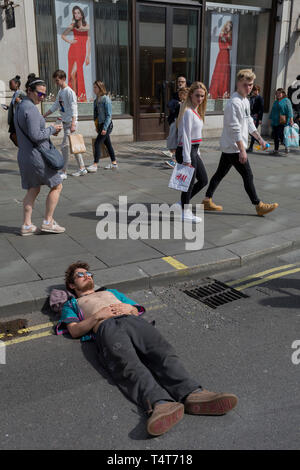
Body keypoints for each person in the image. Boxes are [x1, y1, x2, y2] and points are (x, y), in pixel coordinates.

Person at [56, 261, 238, 437]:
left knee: (162, 352)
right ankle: (160, 403)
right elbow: (74, 330)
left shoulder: (111, 292)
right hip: (106, 327)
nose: (87, 276)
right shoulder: (71, 304)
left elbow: (136, 309)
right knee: (128, 365)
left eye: (89, 274)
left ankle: (193, 393)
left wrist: (129, 308)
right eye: (81, 275)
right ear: (72, 285)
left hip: (133, 320)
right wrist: (97, 316)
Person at [202, 69, 278, 217]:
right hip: (234, 147)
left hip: (232, 146)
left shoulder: (245, 100)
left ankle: (207, 200)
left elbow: (249, 122)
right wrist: (242, 150)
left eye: (250, 85)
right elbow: (235, 128)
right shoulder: (234, 103)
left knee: (219, 174)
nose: (248, 88)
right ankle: (258, 205)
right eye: (245, 84)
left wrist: (260, 139)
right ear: (238, 83)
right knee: (248, 175)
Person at [14, 74, 65, 236]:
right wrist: (52, 129)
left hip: (25, 155)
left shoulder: (20, 107)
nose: (42, 98)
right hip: (37, 157)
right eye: (40, 94)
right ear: (29, 91)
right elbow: (36, 135)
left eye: (45, 94)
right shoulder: (31, 109)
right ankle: (48, 222)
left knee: (33, 189)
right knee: (57, 185)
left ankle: (27, 225)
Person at [175, 81, 209, 223]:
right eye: (197, 96)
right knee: (188, 183)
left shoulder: (196, 110)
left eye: (202, 96)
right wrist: (187, 159)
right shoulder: (188, 111)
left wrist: (197, 153)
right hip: (187, 150)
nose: (200, 99)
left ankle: (181, 204)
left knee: (203, 180)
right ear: (191, 95)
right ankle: (185, 212)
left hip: (193, 150)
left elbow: (195, 137)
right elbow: (187, 137)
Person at [43, 69, 87, 178]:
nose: (56, 83)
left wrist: (73, 123)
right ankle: (82, 168)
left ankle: (64, 171)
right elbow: (56, 105)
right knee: (74, 145)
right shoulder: (61, 92)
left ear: (63, 79)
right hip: (65, 122)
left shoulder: (69, 91)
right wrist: (44, 115)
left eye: (57, 80)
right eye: (55, 81)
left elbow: (74, 107)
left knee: (64, 146)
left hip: (70, 123)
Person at [61, 5, 91, 102]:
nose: (76, 14)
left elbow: (88, 42)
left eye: (78, 12)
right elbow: (63, 35)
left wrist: (87, 56)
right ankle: (75, 96)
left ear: (81, 14)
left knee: (77, 73)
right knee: (73, 73)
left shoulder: (87, 26)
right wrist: (70, 41)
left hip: (82, 52)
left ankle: (77, 96)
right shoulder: (72, 25)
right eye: (74, 13)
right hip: (73, 51)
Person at [87, 81, 117, 172]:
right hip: (100, 124)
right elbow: (95, 114)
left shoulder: (106, 99)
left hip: (107, 125)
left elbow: (109, 115)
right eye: (94, 87)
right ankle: (114, 163)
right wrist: (96, 126)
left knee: (97, 143)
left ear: (100, 88)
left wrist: (104, 128)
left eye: (95, 87)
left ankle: (95, 164)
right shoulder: (96, 100)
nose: (94, 89)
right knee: (108, 144)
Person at [162, 75, 188, 159]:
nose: (180, 83)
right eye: (179, 81)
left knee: (181, 138)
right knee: (174, 135)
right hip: (176, 118)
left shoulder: (189, 93)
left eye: (182, 82)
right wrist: (177, 104)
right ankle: (172, 153)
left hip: (184, 119)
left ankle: (173, 153)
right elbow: (170, 104)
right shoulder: (175, 94)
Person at [164, 87, 189, 169]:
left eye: (180, 94)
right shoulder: (182, 103)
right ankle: (175, 160)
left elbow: (182, 116)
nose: (179, 96)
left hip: (183, 127)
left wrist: (178, 125)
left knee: (179, 145)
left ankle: (176, 161)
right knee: (177, 144)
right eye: (179, 94)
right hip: (181, 127)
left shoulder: (185, 104)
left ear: (185, 95)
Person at [209, 21, 232, 99]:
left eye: (230, 26)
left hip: (226, 54)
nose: (229, 27)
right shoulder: (222, 34)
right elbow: (221, 45)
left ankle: (223, 93)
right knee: (218, 72)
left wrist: (227, 45)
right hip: (222, 54)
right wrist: (226, 46)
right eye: (228, 25)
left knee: (225, 72)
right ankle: (215, 93)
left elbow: (231, 46)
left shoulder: (230, 35)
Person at [269, 88, 294, 156]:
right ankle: (276, 150)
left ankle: (286, 146)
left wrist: (291, 119)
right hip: (275, 121)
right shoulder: (276, 101)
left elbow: (290, 110)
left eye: (279, 93)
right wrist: (270, 118)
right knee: (276, 136)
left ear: (283, 94)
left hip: (283, 121)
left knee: (282, 135)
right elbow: (273, 111)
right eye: (277, 93)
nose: (278, 94)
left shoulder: (286, 100)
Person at [247, 85, 264, 153]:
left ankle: (251, 147)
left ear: (258, 91)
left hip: (256, 117)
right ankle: (260, 141)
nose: (255, 91)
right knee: (250, 132)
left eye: (256, 90)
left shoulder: (260, 98)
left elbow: (261, 109)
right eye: (254, 90)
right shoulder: (251, 98)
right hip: (250, 116)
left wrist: (260, 119)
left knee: (253, 131)